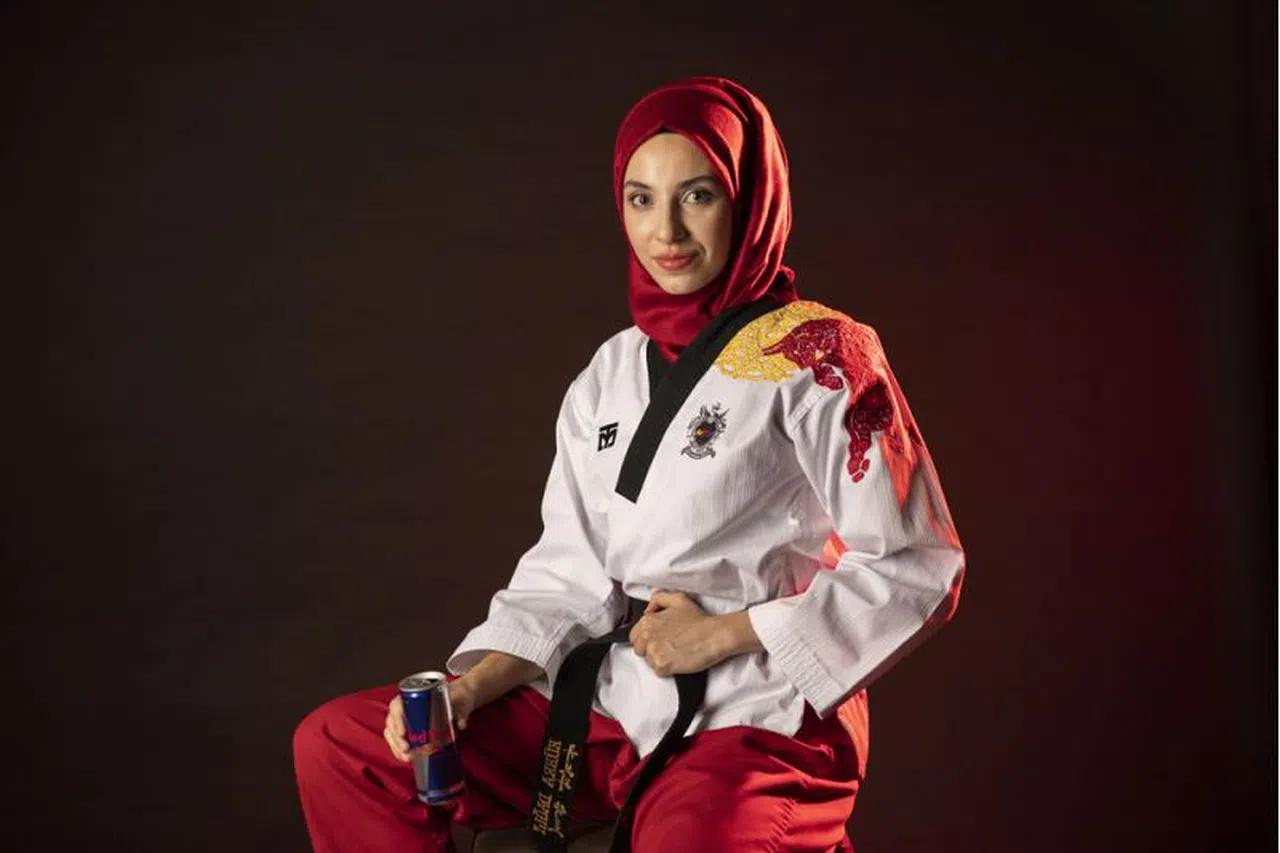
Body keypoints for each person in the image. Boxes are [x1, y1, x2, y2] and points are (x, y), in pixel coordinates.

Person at [293, 76, 965, 853]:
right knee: (343, 748)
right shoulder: (610, 372)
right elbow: (569, 576)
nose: (665, 230)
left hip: (758, 717)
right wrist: (467, 689)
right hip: (615, 704)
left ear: (750, 202)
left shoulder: (824, 354)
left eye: (697, 196)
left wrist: (723, 634)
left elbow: (920, 564)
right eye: (641, 199)